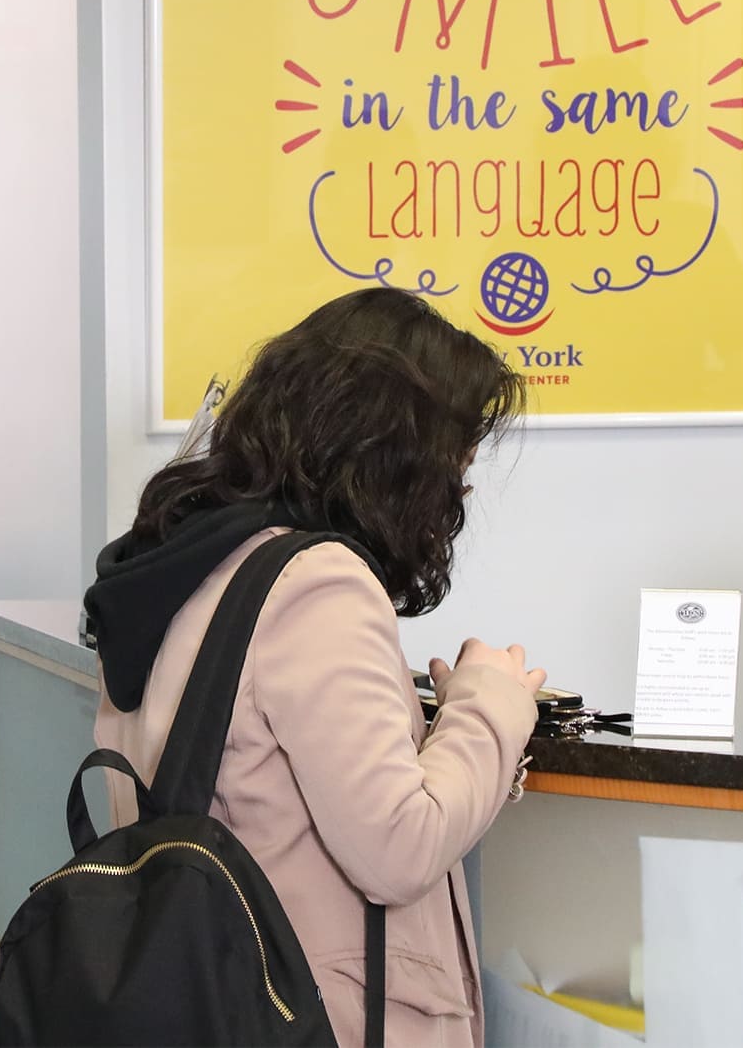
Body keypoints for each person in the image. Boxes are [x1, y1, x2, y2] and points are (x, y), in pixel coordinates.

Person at [89, 287, 542, 1048]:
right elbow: (399, 845)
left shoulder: (183, 561)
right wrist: (490, 703)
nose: (460, 490)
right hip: (312, 1018)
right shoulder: (317, 584)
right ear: (392, 452)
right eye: (454, 463)